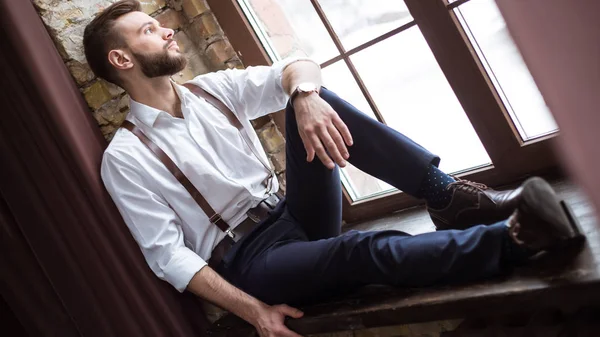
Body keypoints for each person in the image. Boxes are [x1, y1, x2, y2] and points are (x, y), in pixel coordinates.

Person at [84, 1, 580, 336]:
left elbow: (297, 64)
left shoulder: (211, 90)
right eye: (149, 30)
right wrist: (252, 310)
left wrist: (303, 97)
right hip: (252, 261)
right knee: (359, 250)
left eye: (159, 21)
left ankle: (448, 197)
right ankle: (515, 240)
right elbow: (168, 255)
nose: (167, 28)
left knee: (318, 100)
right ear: (121, 58)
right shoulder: (125, 159)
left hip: (293, 214)